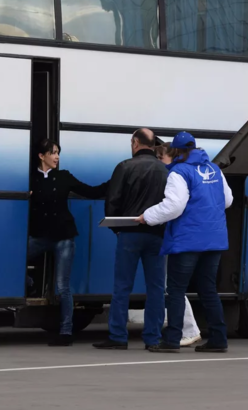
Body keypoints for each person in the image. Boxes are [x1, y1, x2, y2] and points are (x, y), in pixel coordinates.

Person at [138, 132, 233, 353]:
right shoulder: (215, 169)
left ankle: (171, 340)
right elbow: (227, 200)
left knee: (176, 290)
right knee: (208, 290)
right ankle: (219, 339)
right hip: (215, 239)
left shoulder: (179, 172)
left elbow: (174, 206)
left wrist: (148, 216)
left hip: (188, 240)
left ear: (176, 151)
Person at [93, 129, 169, 351]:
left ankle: (118, 336)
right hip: (157, 234)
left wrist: (119, 231)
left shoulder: (124, 167)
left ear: (136, 143)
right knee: (156, 288)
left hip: (129, 233)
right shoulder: (164, 170)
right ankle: (153, 338)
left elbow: (112, 203)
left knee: (122, 286)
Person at [28, 138, 108, 346]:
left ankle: (66, 332)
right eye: (53, 153)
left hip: (63, 237)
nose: (57, 157)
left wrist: (115, 180)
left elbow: (91, 191)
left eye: (58, 152)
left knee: (63, 286)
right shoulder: (29, 179)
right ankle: (30, 284)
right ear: (41, 156)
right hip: (39, 236)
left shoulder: (63, 177)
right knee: (14, 261)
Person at [155, 143, 202, 348]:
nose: (159, 161)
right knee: (173, 286)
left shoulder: (175, 176)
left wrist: (148, 216)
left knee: (173, 286)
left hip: (178, 237)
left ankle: (188, 329)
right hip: (182, 236)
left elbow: (173, 207)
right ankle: (183, 327)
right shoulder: (183, 174)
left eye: (161, 157)